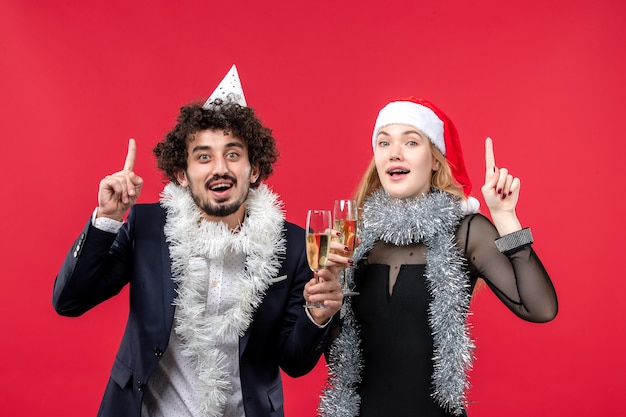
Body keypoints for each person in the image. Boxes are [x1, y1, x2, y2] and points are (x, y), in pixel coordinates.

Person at [52, 65, 346, 417]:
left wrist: (317, 315)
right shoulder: (147, 228)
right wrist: (107, 220)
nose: (219, 168)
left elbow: (294, 362)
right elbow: (69, 301)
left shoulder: (293, 246)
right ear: (182, 174)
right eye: (203, 156)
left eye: (233, 154)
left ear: (253, 170)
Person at [318, 97, 558, 417]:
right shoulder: (357, 243)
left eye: (411, 141)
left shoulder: (466, 231)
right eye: (384, 142)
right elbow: (341, 360)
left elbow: (540, 308)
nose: (394, 152)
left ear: (435, 160)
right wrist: (328, 294)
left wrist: (505, 217)